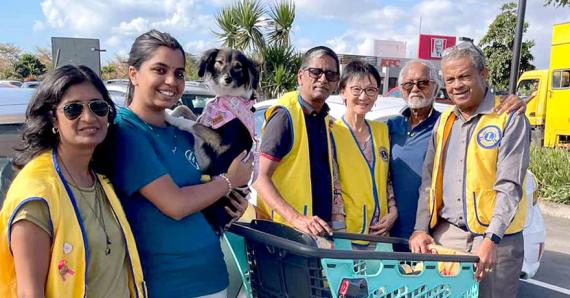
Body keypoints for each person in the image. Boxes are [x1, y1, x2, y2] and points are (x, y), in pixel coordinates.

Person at [110, 30, 252, 298]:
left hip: (212, 276)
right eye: (159, 70)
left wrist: (235, 201)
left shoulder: (184, 131)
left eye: (178, 73)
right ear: (133, 74)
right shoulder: (126, 131)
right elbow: (175, 204)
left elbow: (207, 187)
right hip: (165, 284)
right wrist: (229, 182)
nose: (170, 81)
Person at [0, 65, 146, 297]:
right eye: (73, 109)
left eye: (98, 107)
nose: (89, 117)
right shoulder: (37, 193)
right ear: (53, 120)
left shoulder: (100, 180)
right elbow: (29, 293)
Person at [409, 42, 530, 297]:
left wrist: (491, 239)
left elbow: (509, 186)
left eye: (464, 76)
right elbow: (429, 182)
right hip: (447, 237)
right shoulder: (444, 121)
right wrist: (420, 229)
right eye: (450, 79)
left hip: (496, 241)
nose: (456, 85)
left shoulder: (509, 116)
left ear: (483, 74)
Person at [388, 59, 527, 252]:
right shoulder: (390, 126)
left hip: (435, 234)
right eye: (408, 84)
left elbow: (508, 181)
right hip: (394, 231)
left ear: (436, 87)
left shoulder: (445, 121)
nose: (415, 89)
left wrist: (511, 100)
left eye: (423, 83)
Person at [254, 46, 339, 236]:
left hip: (314, 232)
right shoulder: (285, 116)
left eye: (330, 75)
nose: (323, 79)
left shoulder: (322, 117)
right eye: (316, 72)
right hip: (285, 234)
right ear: (300, 76)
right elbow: (259, 178)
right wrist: (295, 218)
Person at [330, 60, 397, 240]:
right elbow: (333, 184)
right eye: (356, 89)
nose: (363, 96)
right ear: (343, 92)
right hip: (347, 232)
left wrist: (393, 211)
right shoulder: (332, 132)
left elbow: (388, 178)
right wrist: (338, 229)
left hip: (381, 230)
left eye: (371, 90)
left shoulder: (382, 131)